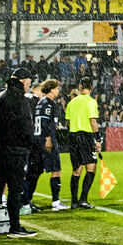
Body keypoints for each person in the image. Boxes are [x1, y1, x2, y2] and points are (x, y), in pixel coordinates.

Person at [0, 75, 38, 240]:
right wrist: (31, 145)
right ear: (22, 81)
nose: (29, 84)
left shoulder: (0, 97)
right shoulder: (21, 100)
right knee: (15, 189)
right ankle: (15, 227)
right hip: (15, 152)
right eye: (28, 81)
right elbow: (27, 128)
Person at [26, 79, 69, 212]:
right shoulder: (48, 104)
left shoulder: (40, 102)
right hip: (45, 141)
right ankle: (56, 202)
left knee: (34, 172)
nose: (58, 91)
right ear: (50, 89)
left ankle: (26, 202)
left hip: (37, 141)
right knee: (56, 170)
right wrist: (48, 139)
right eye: (56, 88)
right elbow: (44, 124)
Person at [62, 79, 101, 208]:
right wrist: (98, 139)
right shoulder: (91, 101)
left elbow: (67, 122)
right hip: (86, 135)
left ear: (80, 87)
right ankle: (83, 199)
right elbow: (93, 122)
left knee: (76, 169)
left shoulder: (72, 102)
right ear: (91, 87)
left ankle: (73, 202)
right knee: (91, 167)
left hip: (73, 136)